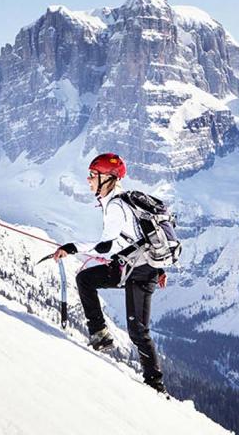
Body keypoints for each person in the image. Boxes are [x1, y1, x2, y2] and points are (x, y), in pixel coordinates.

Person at [49, 153, 167, 394]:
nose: (88, 180)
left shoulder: (116, 205)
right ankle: (100, 335)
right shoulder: (117, 201)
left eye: (93, 175)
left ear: (108, 178)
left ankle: (155, 384)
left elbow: (107, 246)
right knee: (86, 279)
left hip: (141, 271)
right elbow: (138, 236)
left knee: (137, 330)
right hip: (132, 265)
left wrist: (72, 247)